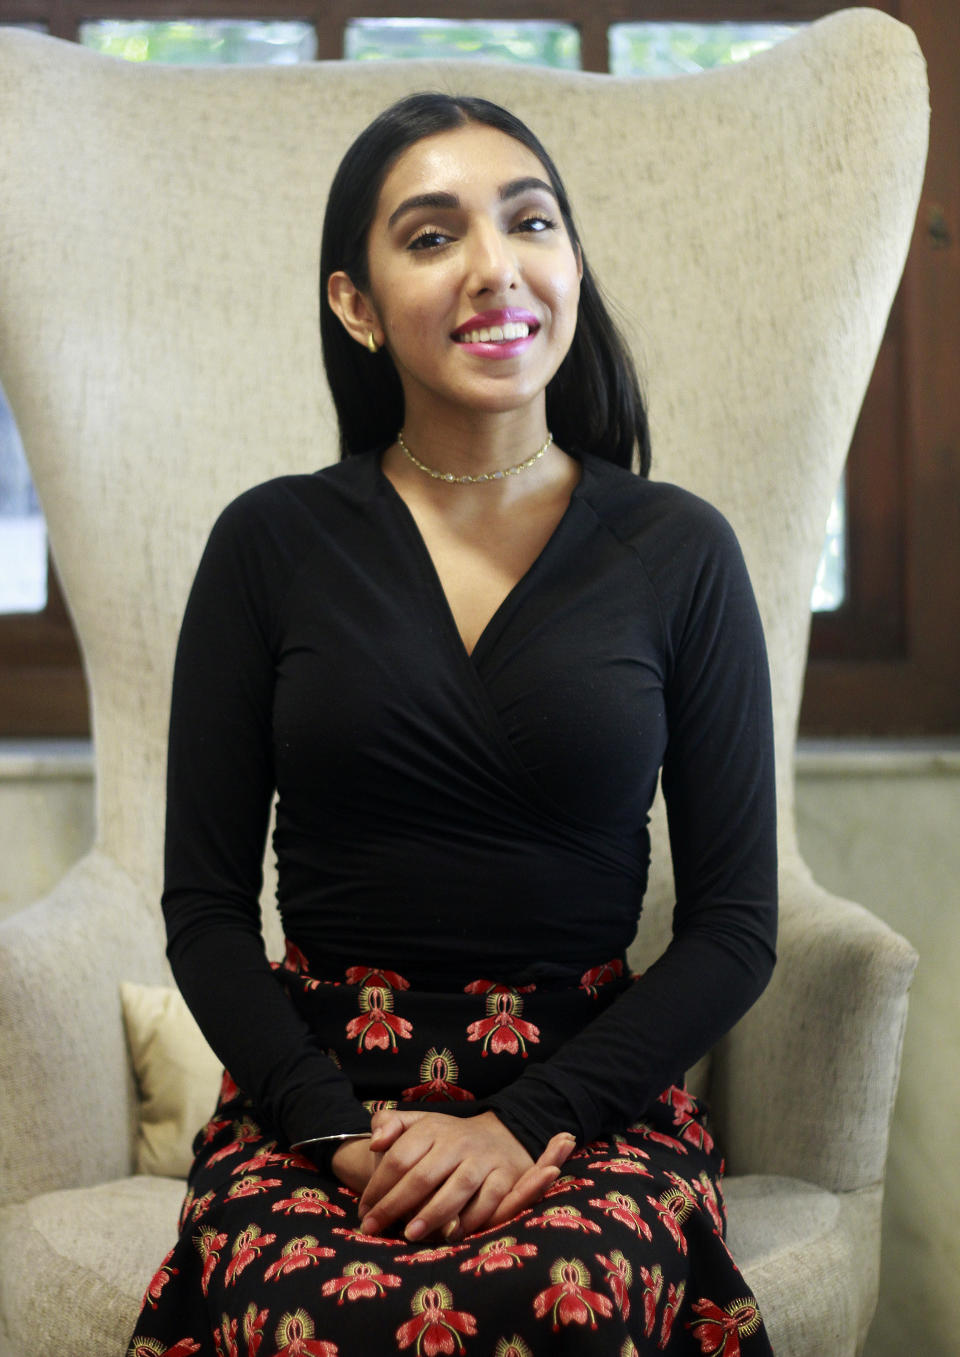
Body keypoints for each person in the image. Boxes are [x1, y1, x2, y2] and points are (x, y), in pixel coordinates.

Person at [128, 92, 777, 1357]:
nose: (495, 266)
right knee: (318, 1314)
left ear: (571, 266)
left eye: (529, 223)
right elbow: (203, 909)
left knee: (558, 1303)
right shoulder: (268, 542)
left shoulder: (680, 550)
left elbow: (736, 928)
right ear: (355, 305)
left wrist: (528, 1122)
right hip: (321, 1091)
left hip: (587, 1094)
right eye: (431, 237)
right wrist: (333, 1137)